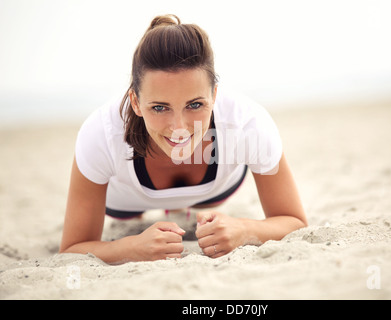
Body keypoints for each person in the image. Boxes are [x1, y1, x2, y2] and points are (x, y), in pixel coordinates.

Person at [59, 14, 307, 264]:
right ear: (135, 102)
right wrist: (132, 247)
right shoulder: (101, 133)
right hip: (126, 199)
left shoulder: (247, 123)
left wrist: (244, 230)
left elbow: (294, 221)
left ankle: (178, 205)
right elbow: (72, 248)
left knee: (205, 201)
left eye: (195, 104)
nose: (179, 128)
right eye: (159, 107)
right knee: (128, 216)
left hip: (214, 191)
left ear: (215, 94)